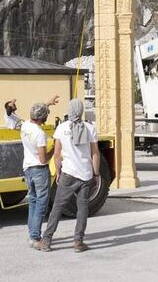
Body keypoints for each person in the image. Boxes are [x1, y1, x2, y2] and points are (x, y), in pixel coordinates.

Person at [34, 99, 98, 253]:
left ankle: (46, 240)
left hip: (68, 174)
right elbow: (95, 153)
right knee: (82, 208)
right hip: (86, 175)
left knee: (57, 207)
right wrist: (96, 174)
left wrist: (58, 172)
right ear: (81, 111)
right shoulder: (90, 128)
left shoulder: (61, 128)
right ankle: (78, 242)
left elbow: (57, 155)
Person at [22, 102, 54, 247]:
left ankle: (31, 234)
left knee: (33, 201)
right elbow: (43, 159)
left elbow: (37, 110)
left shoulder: (25, 126)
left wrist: (48, 103)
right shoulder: (40, 134)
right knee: (41, 204)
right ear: (42, 117)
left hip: (28, 168)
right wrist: (53, 149)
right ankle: (35, 237)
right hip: (39, 170)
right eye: (47, 113)